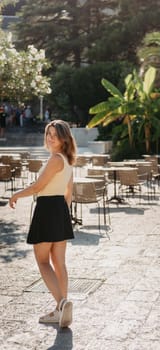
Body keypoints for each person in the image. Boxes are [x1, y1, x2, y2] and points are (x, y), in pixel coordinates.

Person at [9, 119, 77, 328]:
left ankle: (61, 304)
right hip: (60, 210)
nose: (49, 138)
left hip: (47, 209)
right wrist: (62, 215)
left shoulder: (55, 159)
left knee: (43, 262)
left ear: (63, 138)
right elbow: (68, 193)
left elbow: (38, 186)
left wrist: (16, 195)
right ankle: (61, 310)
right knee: (59, 262)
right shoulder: (67, 160)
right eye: (48, 134)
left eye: (53, 135)